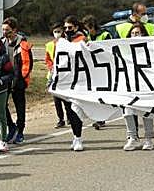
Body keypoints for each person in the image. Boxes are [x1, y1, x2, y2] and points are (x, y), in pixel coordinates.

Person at [121, 22, 154, 151]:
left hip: (146, 85)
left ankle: (148, 138)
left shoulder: (150, 49)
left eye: (138, 33)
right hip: (130, 85)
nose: (135, 36)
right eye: (133, 33)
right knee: (127, 111)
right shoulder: (126, 50)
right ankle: (132, 137)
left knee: (147, 112)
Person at [1, 17, 32, 144]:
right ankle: (11, 126)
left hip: (18, 80)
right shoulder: (2, 43)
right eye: (3, 29)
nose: (4, 32)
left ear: (14, 30)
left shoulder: (23, 45)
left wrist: (21, 80)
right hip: (5, 78)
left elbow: (27, 64)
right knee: (1, 105)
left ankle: (20, 131)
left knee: (20, 106)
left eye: (7, 30)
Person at [60, 15, 88, 151]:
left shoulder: (82, 39)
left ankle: (78, 137)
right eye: (65, 28)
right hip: (66, 81)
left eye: (69, 27)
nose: (66, 30)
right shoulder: (62, 41)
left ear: (76, 27)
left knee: (75, 109)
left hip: (79, 81)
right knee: (69, 111)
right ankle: (75, 136)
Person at [82, 15, 112, 129]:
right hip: (93, 69)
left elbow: (109, 50)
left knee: (104, 94)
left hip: (104, 68)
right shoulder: (86, 37)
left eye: (87, 28)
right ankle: (99, 118)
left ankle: (101, 118)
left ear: (92, 26)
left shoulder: (105, 35)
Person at [45, 22, 69, 129]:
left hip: (65, 75)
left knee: (66, 99)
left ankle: (70, 116)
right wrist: (51, 67)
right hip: (53, 75)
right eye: (55, 32)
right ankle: (60, 119)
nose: (57, 33)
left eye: (59, 31)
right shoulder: (49, 45)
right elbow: (48, 59)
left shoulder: (67, 43)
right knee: (56, 99)